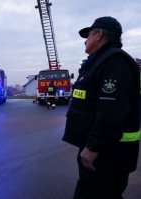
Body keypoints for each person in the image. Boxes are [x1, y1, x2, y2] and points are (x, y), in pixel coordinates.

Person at [62, 16, 140, 199]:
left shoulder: (115, 62)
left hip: (108, 155)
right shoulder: (100, 61)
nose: (85, 40)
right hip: (103, 152)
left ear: (98, 35)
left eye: (87, 35)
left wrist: (93, 148)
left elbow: (110, 112)